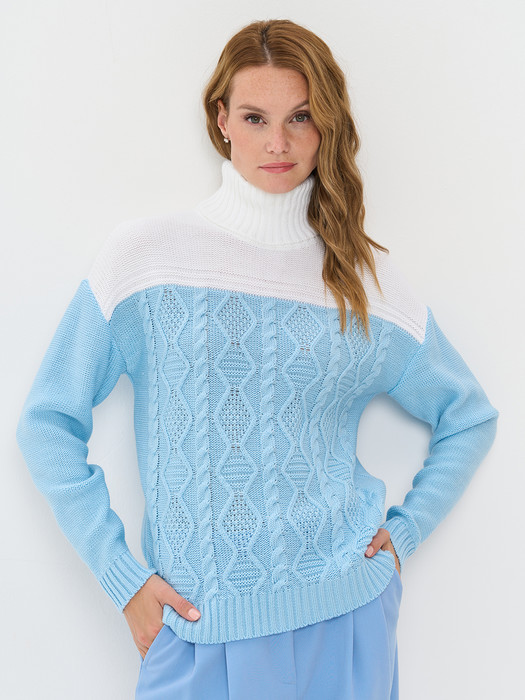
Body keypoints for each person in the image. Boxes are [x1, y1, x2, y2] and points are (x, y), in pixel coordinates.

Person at [16, 18, 498, 700]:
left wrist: (405, 533)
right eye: (254, 117)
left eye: (300, 117)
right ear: (221, 120)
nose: (278, 143)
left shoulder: (365, 281)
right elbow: (46, 422)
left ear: (327, 124)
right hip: (197, 633)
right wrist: (123, 580)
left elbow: (469, 415)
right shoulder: (147, 260)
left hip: (345, 617)